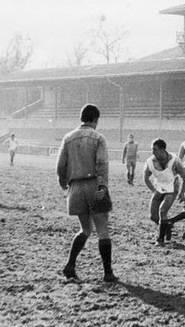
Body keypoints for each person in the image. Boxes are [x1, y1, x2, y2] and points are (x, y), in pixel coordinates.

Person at [56, 104, 117, 283]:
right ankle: (107, 273)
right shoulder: (98, 137)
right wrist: (103, 187)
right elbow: (101, 164)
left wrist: (64, 183)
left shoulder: (68, 138)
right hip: (93, 185)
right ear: (95, 120)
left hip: (75, 188)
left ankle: (70, 265)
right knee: (102, 230)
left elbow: (60, 166)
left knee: (85, 229)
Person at [143, 139, 185, 246]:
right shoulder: (150, 162)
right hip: (158, 188)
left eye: (155, 149)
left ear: (163, 149)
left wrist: (182, 193)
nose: (152, 152)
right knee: (153, 216)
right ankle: (167, 226)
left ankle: (160, 239)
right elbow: (145, 177)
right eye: (151, 149)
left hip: (172, 188)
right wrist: (154, 191)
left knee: (162, 211)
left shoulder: (174, 160)